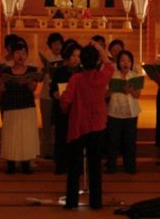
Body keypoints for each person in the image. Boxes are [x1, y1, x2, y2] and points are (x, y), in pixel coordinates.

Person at [60, 43, 114, 210]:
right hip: (97, 124)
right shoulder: (102, 76)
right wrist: (100, 49)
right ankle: (96, 203)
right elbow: (110, 65)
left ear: (82, 62)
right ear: (97, 61)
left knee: (74, 166)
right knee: (95, 165)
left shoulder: (76, 79)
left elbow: (66, 100)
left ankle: (71, 203)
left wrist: (63, 104)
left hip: (78, 125)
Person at [0, 41, 40, 174]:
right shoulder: (5, 71)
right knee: (11, 136)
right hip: (11, 106)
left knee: (26, 135)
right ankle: (11, 164)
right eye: (17, 53)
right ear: (12, 55)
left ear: (27, 55)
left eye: (24, 53)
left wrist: (29, 82)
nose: (21, 55)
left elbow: (33, 89)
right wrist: (2, 82)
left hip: (27, 106)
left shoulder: (32, 70)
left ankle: (26, 163)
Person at [106, 50, 142, 174]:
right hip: (114, 111)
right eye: (122, 61)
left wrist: (130, 90)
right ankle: (111, 166)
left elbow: (137, 95)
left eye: (128, 61)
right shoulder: (113, 75)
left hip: (130, 113)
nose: (125, 63)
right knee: (113, 141)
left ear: (131, 63)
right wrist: (111, 90)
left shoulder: (135, 76)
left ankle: (130, 167)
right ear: (118, 62)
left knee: (130, 141)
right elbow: (105, 94)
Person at [50, 40, 82, 174]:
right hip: (62, 109)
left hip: (78, 110)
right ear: (68, 56)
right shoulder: (60, 72)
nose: (75, 59)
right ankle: (61, 166)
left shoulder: (83, 72)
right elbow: (52, 90)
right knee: (62, 137)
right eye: (73, 56)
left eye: (78, 56)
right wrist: (55, 94)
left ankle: (77, 166)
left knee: (77, 139)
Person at [39, 33, 64, 159]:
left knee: (58, 124)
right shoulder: (46, 58)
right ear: (50, 45)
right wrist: (44, 71)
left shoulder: (65, 59)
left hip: (60, 94)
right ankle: (46, 151)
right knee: (47, 124)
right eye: (54, 44)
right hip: (46, 94)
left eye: (59, 43)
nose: (57, 46)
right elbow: (39, 78)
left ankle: (57, 150)